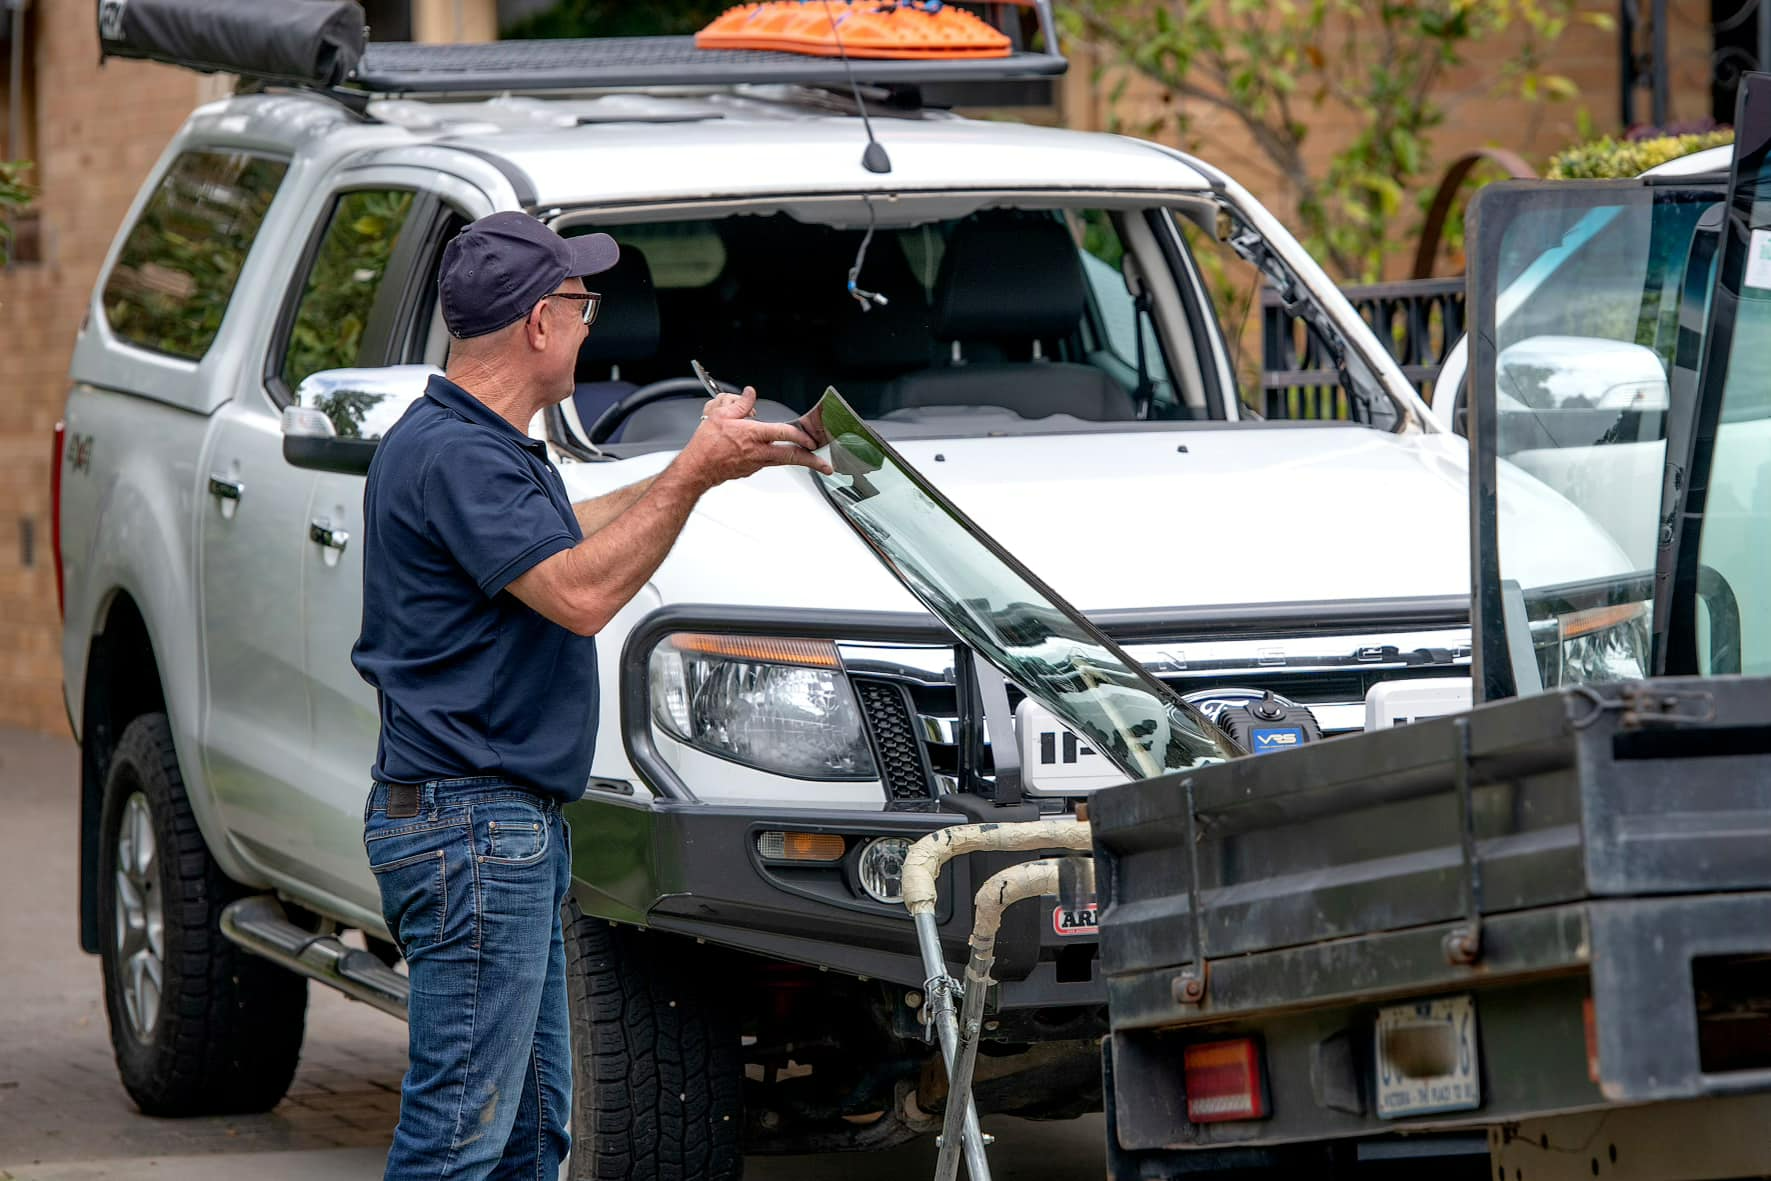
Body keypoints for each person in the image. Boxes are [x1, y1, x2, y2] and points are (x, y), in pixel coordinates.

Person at [351, 211, 832, 1179]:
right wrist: (692, 473)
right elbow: (576, 590)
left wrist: (701, 470)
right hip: (473, 833)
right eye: (580, 303)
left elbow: (559, 537)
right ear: (537, 323)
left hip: (490, 829)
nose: (588, 323)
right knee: (458, 1142)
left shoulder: (470, 443)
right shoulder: (460, 455)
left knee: (530, 1143)